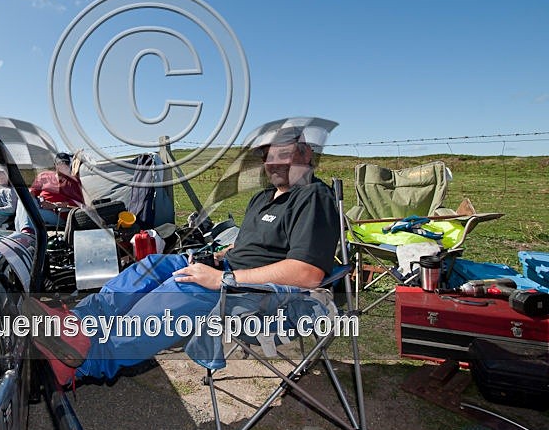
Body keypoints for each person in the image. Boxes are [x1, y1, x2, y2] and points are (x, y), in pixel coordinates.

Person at [25, 119, 342, 385]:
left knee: (185, 285)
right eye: (266, 155)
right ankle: (78, 323)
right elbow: (252, 247)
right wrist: (216, 257)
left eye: (281, 154)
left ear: (305, 153)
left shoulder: (313, 198)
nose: (271, 162)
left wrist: (222, 277)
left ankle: (84, 360)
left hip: (261, 294)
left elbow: (307, 273)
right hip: (231, 271)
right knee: (156, 264)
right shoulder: (263, 199)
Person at [29, 152, 85, 227]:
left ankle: (25, 232)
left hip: (57, 214)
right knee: (23, 200)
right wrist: (34, 197)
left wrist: (55, 205)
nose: (63, 165)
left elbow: (78, 204)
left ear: (69, 165)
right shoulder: (44, 175)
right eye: (60, 163)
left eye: (66, 163)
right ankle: (24, 232)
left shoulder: (73, 181)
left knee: (29, 214)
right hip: (39, 206)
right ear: (55, 165)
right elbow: (32, 191)